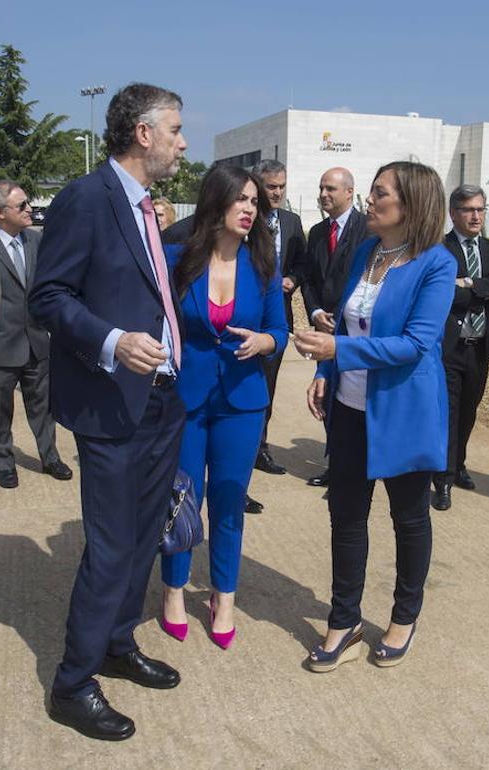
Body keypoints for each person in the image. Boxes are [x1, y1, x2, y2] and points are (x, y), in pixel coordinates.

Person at [29, 82, 188, 741]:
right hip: (110, 404)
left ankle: (118, 643)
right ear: (143, 134)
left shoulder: (151, 207)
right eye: (176, 129)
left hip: (162, 401)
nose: (183, 142)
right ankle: (72, 683)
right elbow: (48, 297)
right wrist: (112, 341)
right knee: (112, 543)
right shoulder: (85, 199)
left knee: (145, 535)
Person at [294, 161, 454, 672]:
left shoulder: (436, 263)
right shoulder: (366, 250)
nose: (369, 199)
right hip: (349, 406)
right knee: (345, 515)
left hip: (404, 411)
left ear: (410, 205)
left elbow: (415, 343)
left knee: (408, 519)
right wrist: (326, 367)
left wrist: (336, 347)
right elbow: (346, 319)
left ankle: (404, 618)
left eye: (380, 193)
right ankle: (344, 620)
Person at [157, 164, 288, 647]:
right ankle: (172, 591)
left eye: (256, 201)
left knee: (228, 503)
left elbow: (280, 330)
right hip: (186, 399)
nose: (250, 209)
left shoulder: (264, 266)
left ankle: (223, 596)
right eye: (241, 200)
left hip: (243, 402)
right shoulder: (177, 258)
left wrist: (265, 342)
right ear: (216, 203)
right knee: (181, 498)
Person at [0, 179, 72, 488]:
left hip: (36, 342)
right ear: (1, 212)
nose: (30, 209)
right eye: (22, 206)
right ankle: (4, 463)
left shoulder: (35, 241)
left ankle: (50, 457)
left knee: (43, 407)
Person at [433, 184, 489, 510]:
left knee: (469, 409)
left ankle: (460, 464)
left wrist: (469, 283)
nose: (476, 215)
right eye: (468, 209)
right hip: (449, 346)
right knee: (449, 413)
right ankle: (443, 478)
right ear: (453, 213)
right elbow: (444, 293)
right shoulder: (440, 248)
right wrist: (486, 287)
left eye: (480, 209)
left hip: (480, 345)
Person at [301, 167, 367, 487]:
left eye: (330, 189)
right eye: (321, 188)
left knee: (350, 396)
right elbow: (310, 280)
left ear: (349, 192)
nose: (323, 194)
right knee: (327, 395)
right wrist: (314, 311)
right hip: (323, 329)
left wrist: (342, 314)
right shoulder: (315, 233)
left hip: (354, 330)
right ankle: (338, 465)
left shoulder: (367, 230)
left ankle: (355, 466)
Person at [251, 158, 307, 484]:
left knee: (267, 388)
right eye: (271, 186)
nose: (277, 192)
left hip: (276, 319)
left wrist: (292, 279)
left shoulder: (291, 221)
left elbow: (302, 262)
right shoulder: (245, 217)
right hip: (243, 318)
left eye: (282, 186)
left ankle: (260, 447)